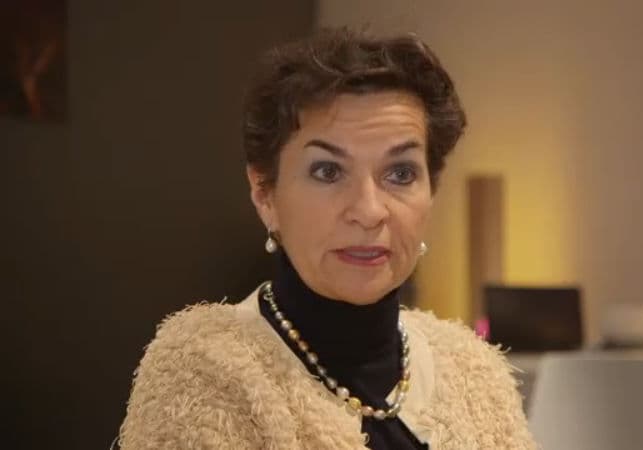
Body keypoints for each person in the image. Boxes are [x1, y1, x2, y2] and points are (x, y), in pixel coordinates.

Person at [118, 27, 536, 450]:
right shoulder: (204, 372)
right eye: (328, 172)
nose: (369, 211)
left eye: (400, 173)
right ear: (265, 194)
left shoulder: (475, 372)